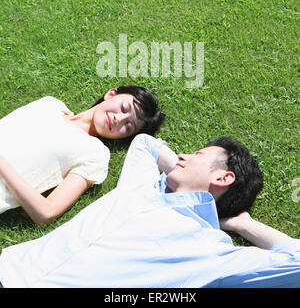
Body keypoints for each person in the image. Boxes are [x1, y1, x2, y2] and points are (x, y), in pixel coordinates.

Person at [0, 133, 298, 288]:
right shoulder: (143, 185)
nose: (182, 155)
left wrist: (240, 224)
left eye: (197, 155)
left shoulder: (210, 251)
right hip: (9, 268)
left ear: (222, 177)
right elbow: (146, 144)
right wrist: (181, 177)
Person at [0, 86, 164, 225]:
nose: (118, 119)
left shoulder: (96, 155)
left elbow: (47, 212)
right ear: (111, 94)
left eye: (128, 126)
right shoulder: (50, 104)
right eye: (123, 108)